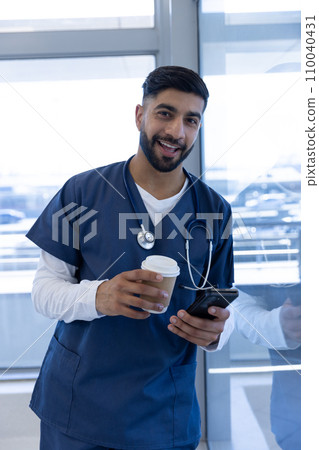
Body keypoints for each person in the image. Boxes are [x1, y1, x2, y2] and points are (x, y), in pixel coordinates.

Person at [26, 66, 235, 450]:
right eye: (165, 114)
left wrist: (219, 334)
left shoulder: (214, 211)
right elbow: (42, 291)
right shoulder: (82, 193)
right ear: (140, 115)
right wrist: (99, 296)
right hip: (78, 407)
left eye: (191, 120)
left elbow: (222, 302)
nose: (177, 132)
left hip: (163, 415)